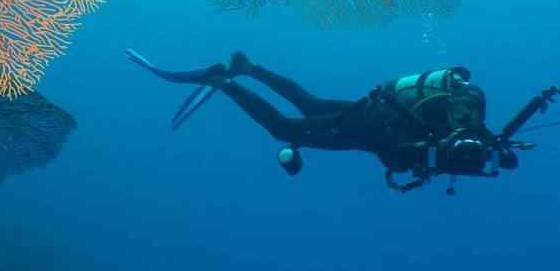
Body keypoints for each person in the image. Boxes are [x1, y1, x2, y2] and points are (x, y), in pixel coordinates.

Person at [126, 49, 518, 193]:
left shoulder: (462, 123)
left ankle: (250, 68)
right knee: (283, 128)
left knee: (308, 103)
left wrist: (500, 148)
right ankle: (223, 81)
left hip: (373, 111)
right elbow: (401, 155)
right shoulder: (457, 125)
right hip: (367, 127)